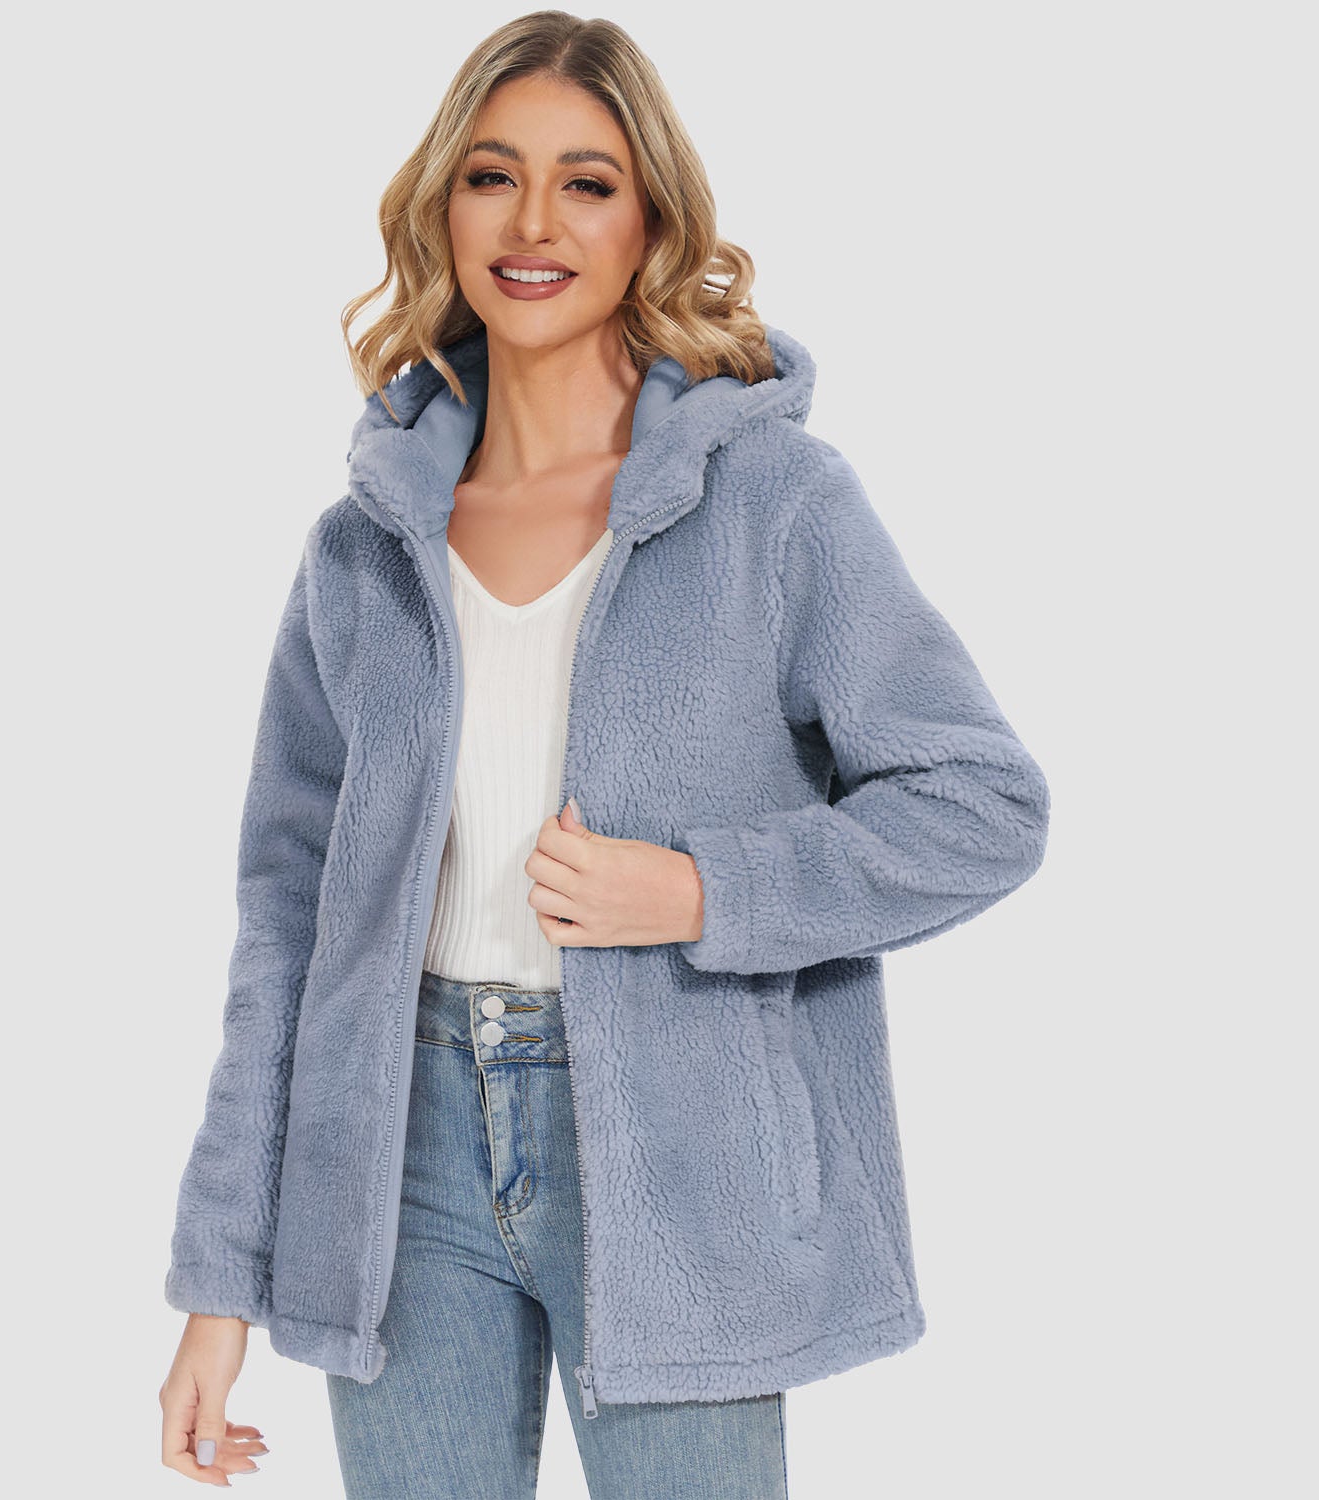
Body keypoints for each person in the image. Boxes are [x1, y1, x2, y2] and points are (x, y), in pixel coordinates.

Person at [158, 11, 1051, 1496]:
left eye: (587, 183)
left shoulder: (773, 503)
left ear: (651, 226)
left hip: (682, 1148)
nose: (533, 223)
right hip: (399, 1155)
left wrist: (703, 891)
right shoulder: (364, 549)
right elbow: (287, 925)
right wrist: (218, 1283)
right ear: (443, 208)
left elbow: (982, 803)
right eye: (492, 176)